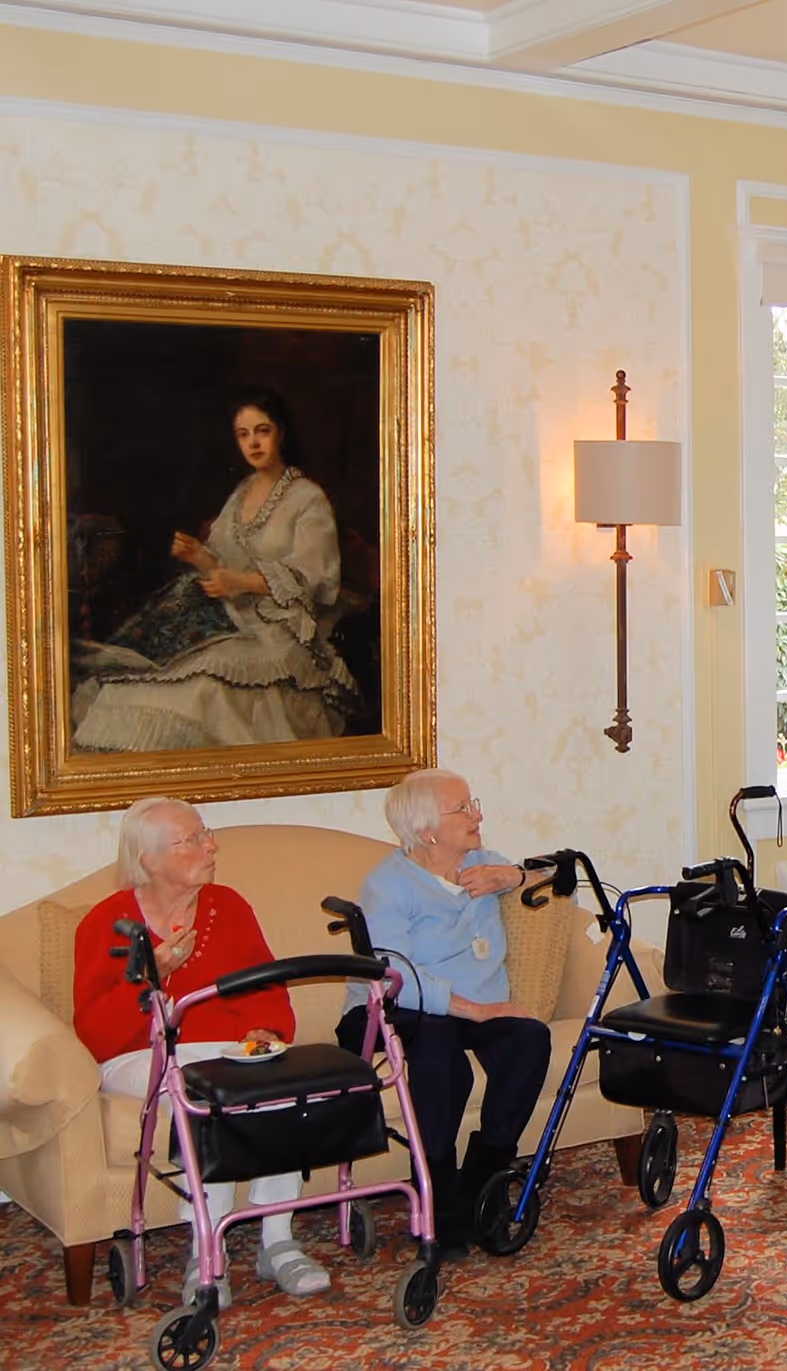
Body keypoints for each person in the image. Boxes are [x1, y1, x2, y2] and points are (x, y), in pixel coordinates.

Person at [72, 797, 331, 1305]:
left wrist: (265, 1033)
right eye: (191, 839)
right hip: (139, 1054)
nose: (210, 845)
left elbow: (265, 986)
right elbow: (97, 1032)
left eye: (205, 833)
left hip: (231, 1051)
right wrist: (157, 975)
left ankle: (277, 1241)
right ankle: (204, 1250)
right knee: (207, 1098)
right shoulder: (106, 923)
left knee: (277, 1089)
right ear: (149, 859)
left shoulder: (227, 905)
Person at [71, 386, 359, 752]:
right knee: (147, 675)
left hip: (282, 628)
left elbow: (315, 580)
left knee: (203, 687)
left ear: (281, 433)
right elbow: (222, 561)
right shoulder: (242, 492)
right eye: (243, 434)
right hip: (231, 614)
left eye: (262, 430)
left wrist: (239, 581)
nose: (253, 443)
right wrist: (198, 556)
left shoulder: (307, 497)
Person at [334, 769, 550, 1251]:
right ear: (428, 829)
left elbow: (560, 882)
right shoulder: (391, 883)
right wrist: (473, 1010)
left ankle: (484, 1181)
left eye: (474, 803)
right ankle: (435, 1195)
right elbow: (393, 974)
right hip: (399, 1005)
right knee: (441, 1056)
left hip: (473, 1005)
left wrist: (512, 876)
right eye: (463, 809)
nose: (478, 815)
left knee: (529, 1038)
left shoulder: (483, 864)